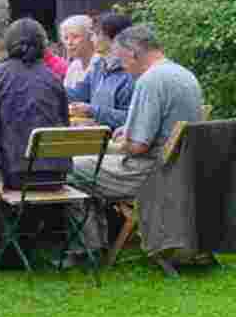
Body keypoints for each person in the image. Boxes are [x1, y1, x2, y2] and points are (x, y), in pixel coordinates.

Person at [71, 23, 204, 253]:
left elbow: (138, 147)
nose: (123, 67)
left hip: (149, 173)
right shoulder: (183, 74)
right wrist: (128, 128)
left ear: (133, 54)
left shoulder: (150, 81)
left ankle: (87, 248)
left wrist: (113, 145)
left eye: (122, 61)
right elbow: (160, 125)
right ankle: (103, 238)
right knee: (87, 162)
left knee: (70, 167)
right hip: (178, 168)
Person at [0, 18, 70, 193]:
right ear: (42, 44)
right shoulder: (53, 77)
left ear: (8, 43)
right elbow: (64, 124)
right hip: (55, 176)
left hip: (14, 175)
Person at [67, 12, 134, 129]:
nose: (92, 39)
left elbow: (130, 118)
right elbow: (78, 94)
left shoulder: (131, 73)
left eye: (96, 34)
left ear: (113, 38)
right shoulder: (99, 66)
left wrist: (92, 111)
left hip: (118, 142)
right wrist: (51, 85)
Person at [60, 14, 100, 89]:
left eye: (75, 37)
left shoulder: (100, 64)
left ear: (90, 37)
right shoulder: (74, 66)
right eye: (66, 38)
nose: (69, 43)